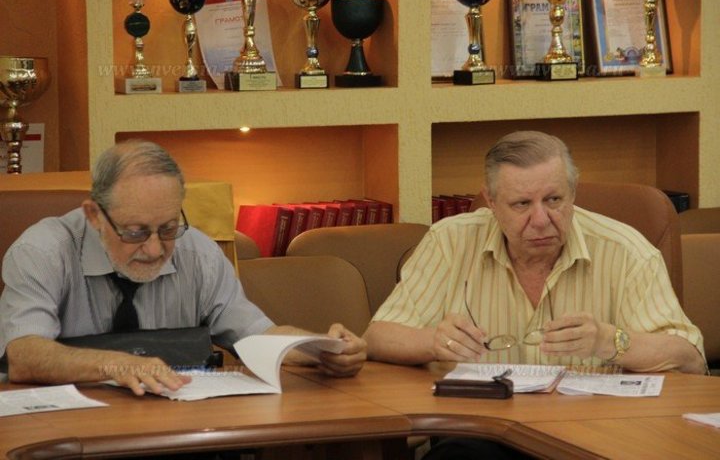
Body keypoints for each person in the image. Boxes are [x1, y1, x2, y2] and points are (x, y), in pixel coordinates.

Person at [364, 130, 707, 459]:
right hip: (479, 439)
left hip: (596, 437)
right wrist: (433, 342)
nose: (541, 219)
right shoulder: (449, 242)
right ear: (491, 201)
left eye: (554, 200)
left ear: (573, 192)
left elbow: (691, 360)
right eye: (522, 204)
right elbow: (377, 337)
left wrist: (608, 340)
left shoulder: (626, 251)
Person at [0, 140, 366, 396]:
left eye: (168, 228)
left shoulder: (197, 252)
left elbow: (254, 335)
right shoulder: (43, 251)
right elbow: (24, 354)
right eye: (135, 232)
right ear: (94, 215)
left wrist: (323, 351)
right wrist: (117, 365)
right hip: (73, 433)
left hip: (177, 429)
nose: (154, 249)